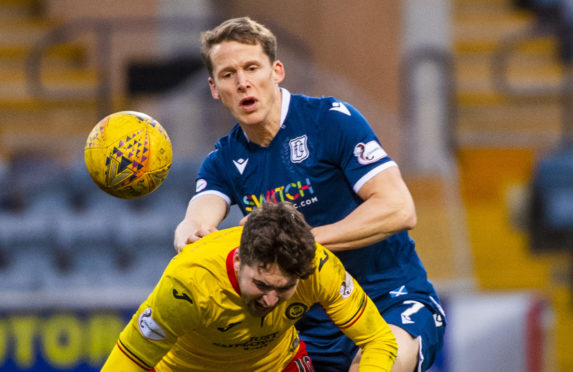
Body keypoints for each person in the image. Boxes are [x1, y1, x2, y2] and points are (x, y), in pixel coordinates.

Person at [174, 17, 446, 372]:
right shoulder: (222, 161)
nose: (242, 83)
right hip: (305, 326)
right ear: (214, 87)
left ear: (277, 71)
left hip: (389, 299)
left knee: (379, 364)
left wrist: (300, 244)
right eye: (228, 75)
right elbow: (196, 220)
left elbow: (398, 208)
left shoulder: (331, 120)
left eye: (252, 68)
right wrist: (188, 237)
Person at [102, 202, 397, 371]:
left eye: (284, 289)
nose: (270, 301)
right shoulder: (188, 284)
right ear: (241, 257)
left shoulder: (319, 268)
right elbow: (130, 358)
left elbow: (378, 341)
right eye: (261, 284)